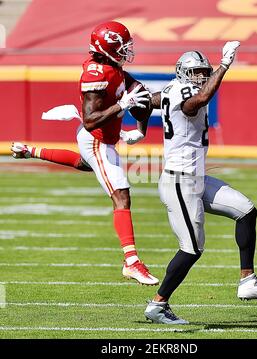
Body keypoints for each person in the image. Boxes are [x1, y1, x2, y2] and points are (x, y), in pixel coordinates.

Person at [144, 42, 257, 324]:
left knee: (246, 211)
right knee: (192, 248)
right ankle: (158, 305)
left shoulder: (172, 89)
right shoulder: (187, 93)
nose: (200, 77)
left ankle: (248, 281)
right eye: (196, 72)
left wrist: (137, 126)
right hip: (179, 183)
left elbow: (151, 100)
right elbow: (194, 103)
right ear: (183, 73)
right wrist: (224, 66)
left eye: (203, 72)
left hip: (196, 178)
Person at [11, 21, 159, 286]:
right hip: (95, 139)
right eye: (123, 48)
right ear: (108, 48)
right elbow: (91, 121)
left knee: (85, 164)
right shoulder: (96, 74)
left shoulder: (113, 67)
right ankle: (132, 262)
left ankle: (29, 150)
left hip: (101, 139)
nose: (127, 52)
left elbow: (140, 93)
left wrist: (141, 126)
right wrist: (122, 106)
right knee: (121, 195)